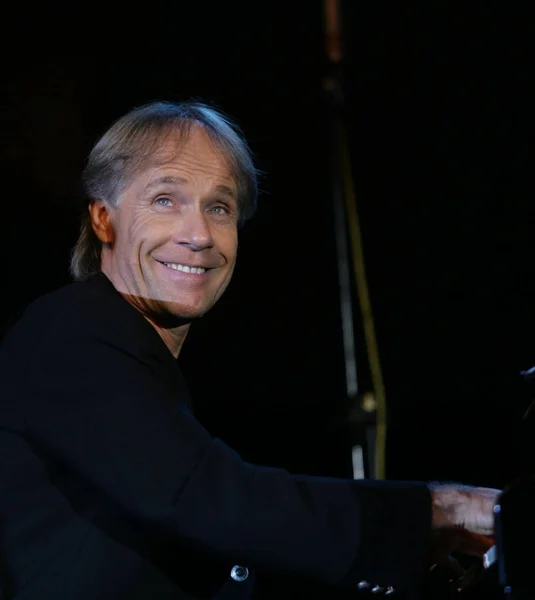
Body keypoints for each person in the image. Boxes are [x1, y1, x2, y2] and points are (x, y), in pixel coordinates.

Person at [0, 100, 499, 600]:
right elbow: (204, 497)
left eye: (219, 207)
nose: (198, 236)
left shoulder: (135, 357)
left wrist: (405, 549)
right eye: (165, 200)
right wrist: (440, 507)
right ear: (103, 220)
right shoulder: (71, 330)